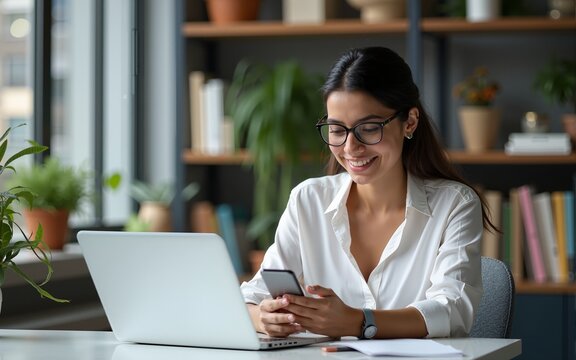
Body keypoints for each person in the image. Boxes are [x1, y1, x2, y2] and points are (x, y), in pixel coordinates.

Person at [240, 46, 496, 339]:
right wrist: (263, 318)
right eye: (337, 130)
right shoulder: (308, 200)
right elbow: (252, 296)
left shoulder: (454, 204)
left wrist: (358, 322)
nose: (351, 148)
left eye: (369, 128)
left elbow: (452, 310)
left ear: (409, 122)